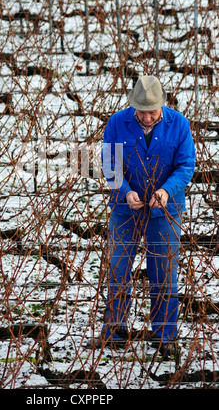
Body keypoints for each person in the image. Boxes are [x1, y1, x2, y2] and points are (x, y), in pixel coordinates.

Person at [99, 75, 196, 356]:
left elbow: (186, 165)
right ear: (133, 107)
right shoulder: (118, 122)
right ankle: (115, 328)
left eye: (152, 112)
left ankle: (165, 335)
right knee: (118, 268)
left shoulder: (179, 125)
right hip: (124, 210)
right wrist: (125, 191)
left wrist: (166, 191)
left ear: (162, 107)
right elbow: (109, 163)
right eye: (141, 112)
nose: (147, 117)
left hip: (164, 211)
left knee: (164, 273)